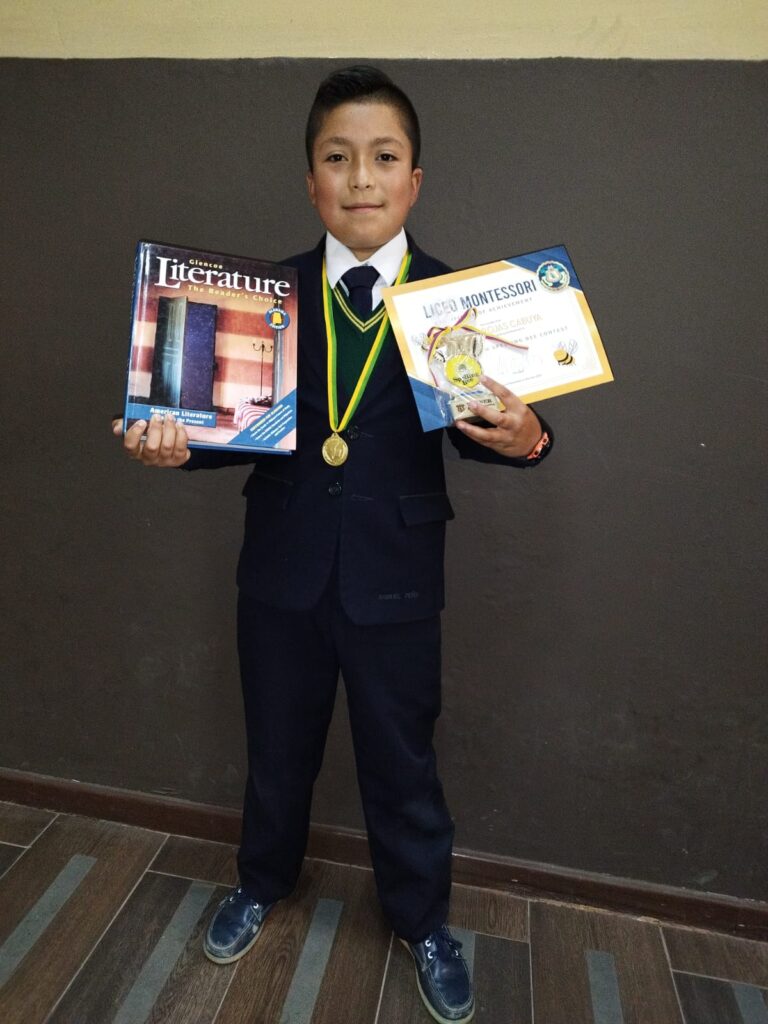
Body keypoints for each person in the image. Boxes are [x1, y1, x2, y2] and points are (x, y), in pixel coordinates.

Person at [114, 65, 552, 1024]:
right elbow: (231, 427)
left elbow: (496, 430)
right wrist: (173, 447)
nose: (361, 178)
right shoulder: (258, 299)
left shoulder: (457, 302)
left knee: (403, 760)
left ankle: (423, 921)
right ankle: (260, 882)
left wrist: (528, 437)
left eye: (383, 158)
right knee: (277, 749)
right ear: (311, 181)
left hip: (397, 576)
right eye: (338, 158)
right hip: (283, 567)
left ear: (414, 180)